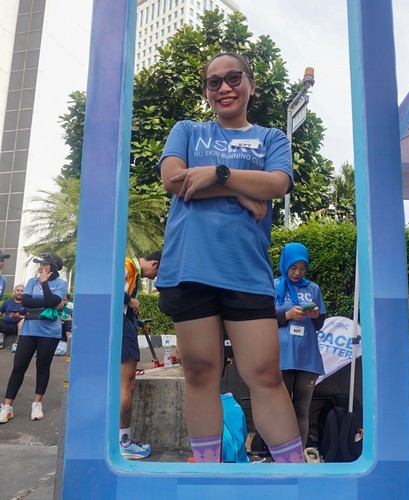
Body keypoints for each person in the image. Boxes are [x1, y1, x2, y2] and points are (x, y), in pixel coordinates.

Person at [156, 52, 304, 463]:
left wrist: (215, 173)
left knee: (265, 377)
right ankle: (208, 476)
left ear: (250, 85)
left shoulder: (272, 138)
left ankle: (294, 479)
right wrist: (238, 189)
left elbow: (277, 184)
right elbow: (174, 180)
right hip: (189, 269)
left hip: (246, 272)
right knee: (201, 374)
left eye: (233, 78)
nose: (223, 87)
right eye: (213, 82)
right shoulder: (187, 130)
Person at [0, 253, 68, 424]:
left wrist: (45, 285)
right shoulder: (31, 281)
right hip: (29, 329)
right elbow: (26, 302)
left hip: (49, 332)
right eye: (39, 264)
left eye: (43, 264)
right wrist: (49, 302)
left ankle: (37, 403)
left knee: (42, 367)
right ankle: (7, 407)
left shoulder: (61, 284)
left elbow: (52, 301)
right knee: (19, 366)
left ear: (52, 266)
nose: (40, 267)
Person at [275, 242, 327, 448]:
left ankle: (298, 456)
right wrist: (287, 315)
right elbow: (262, 319)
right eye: (293, 267)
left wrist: (316, 315)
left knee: (302, 410)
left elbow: (319, 324)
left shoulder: (313, 288)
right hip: (281, 357)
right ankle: (281, 455)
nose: (298, 273)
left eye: (302, 268)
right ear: (285, 264)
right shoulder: (273, 286)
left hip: (307, 358)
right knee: (281, 410)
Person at [119, 252, 162, 460]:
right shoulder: (128, 266)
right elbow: (112, 286)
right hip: (123, 330)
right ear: (154, 263)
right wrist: (131, 301)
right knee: (126, 385)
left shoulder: (130, 270)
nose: (154, 278)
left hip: (119, 327)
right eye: (157, 272)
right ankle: (124, 442)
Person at [0, 284, 26, 349]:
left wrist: (18, 316)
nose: (20, 292)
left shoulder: (26, 303)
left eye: (22, 291)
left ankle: (17, 344)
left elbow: (29, 317)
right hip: (5, 325)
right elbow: (0, 312)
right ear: (14, 291)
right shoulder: (7, 302)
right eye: (18, 290)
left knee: (23, 321)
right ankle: (0, 342)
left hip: (17, 327)